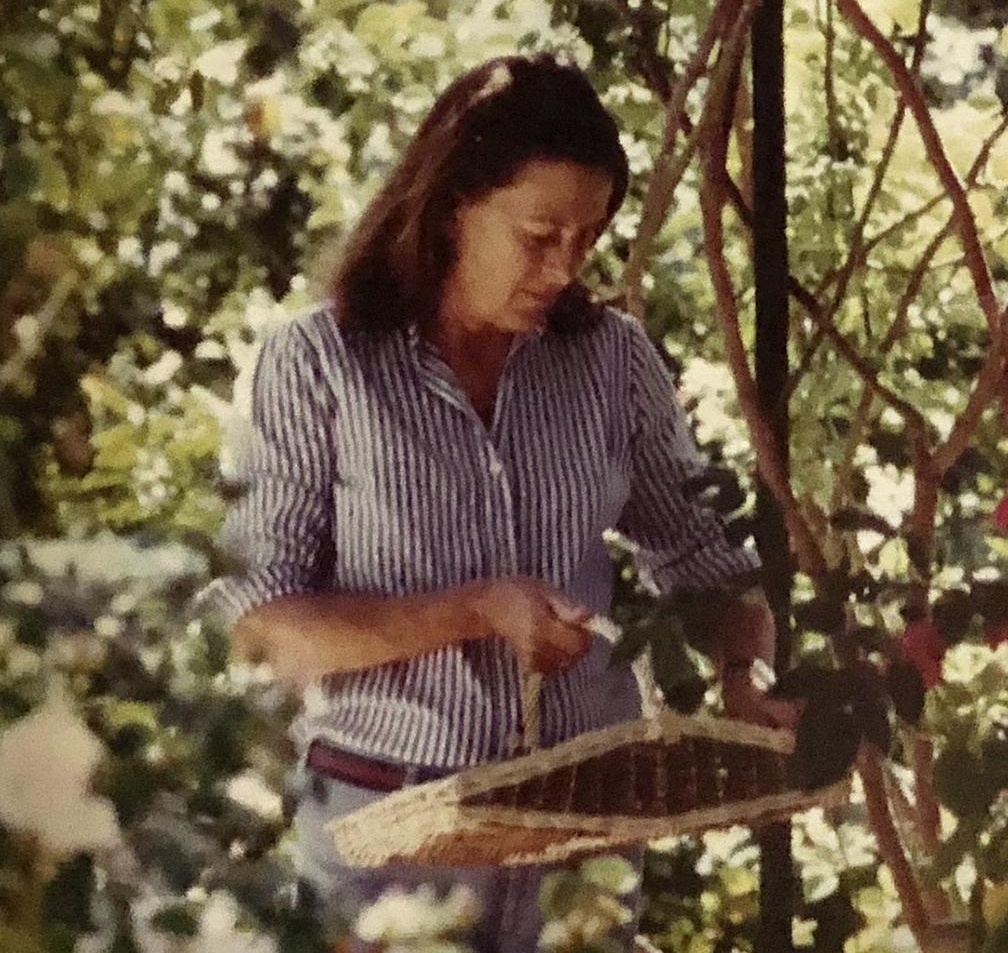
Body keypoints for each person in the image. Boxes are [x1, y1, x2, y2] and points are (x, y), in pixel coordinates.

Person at [201, 53, 787, 951]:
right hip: (387, 843)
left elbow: (704, 559)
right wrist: (473, 610)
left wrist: (745, 677)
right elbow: (260, 628)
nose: (564, 268)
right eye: (539, 234)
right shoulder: (319, 364)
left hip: (581, 838)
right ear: (448, 210)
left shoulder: (610, 361)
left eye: (586, 238)